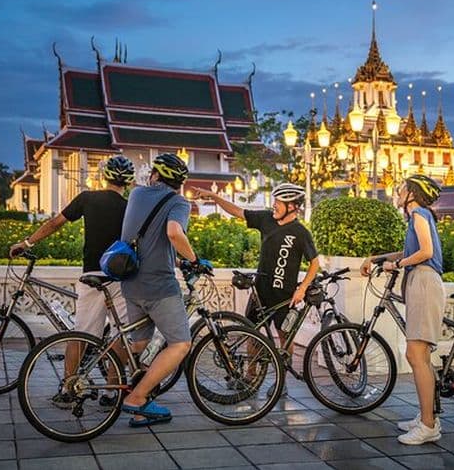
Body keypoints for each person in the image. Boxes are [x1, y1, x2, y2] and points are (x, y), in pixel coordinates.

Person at [9, 155, 135, 407]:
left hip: (92, 276)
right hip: (120, 278)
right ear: (128, 182)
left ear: (105, 176)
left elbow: (56, 223)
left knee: (82, 334)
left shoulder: (88, 198)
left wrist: (26, 243)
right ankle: (112, 391)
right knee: (123, 334)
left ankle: (69, 388)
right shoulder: (130, 206)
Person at [193, 182, 320, 394]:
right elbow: (236, 211)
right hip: (260, 292)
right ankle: (250, 378)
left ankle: (282, 383)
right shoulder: (266, 220)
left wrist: (302, 289)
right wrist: (212, 196)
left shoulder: (301, 232)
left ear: (292, 207)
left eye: (279, 202)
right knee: (251, 333)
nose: (275, 205)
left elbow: (315, 263)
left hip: (285, 296)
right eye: (275, 201)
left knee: (284, 338)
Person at [119, 153, 209, 427]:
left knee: (140, 346)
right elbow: (173, 233)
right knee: (181, 344)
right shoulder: (179, 202)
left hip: (130, 280)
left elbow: (150, 239)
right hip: (158, 284)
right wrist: (194, 261)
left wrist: (178, 259)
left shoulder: (135, 195)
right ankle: (137, 397)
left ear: (155, 175)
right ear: (179, 183)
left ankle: (140, 407)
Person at [360, 174, 446, 445]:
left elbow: (426, 252)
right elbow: (409, 250)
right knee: (420, 355)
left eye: (400, 189)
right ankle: (426, 416)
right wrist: (377, 259)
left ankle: (428, 426)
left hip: (424, 281)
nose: (396, 192)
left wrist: (396, 266)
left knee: (415, 354)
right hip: (420, 281)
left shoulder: (419, 213)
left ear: (412, 193)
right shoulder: (417, 218)